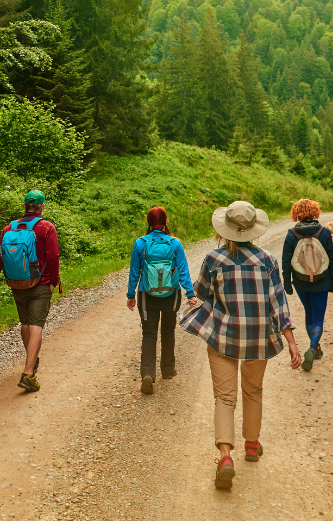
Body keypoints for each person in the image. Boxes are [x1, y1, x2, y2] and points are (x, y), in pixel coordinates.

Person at [180, 200, 303, 490]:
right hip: (259, 337)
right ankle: (251, 444)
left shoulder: (214, 259)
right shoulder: (268, 261)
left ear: (224, 230)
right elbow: (278, 303)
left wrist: (191, 310)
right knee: (253, 390)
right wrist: (292, 341)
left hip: (223, 336)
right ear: (253, 229)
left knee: (224, 398)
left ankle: (225, 457)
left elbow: (199, 295)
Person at [0, 190, 60, 393]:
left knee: (25, 323)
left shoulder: (9, 228)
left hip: (16, 283)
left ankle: (31, 360)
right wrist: (54, 281)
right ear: (41, 206)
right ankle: (28, 374)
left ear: (25, 205)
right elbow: (53, 256)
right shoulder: (46, 227)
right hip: (40, 283)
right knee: (36, 325)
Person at [126, 207, 194, 395]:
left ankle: (148, 373)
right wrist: (190, 292)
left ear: (148, 222)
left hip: (147, 294)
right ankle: (168, 369)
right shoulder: (175, 244)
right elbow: (182, 269)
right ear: (166, 222)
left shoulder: (141, 243)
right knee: (168, 330)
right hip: (171, 294)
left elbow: (134, 272)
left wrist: (131, 295)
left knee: (149, 334)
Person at [280, 198, 333, 372]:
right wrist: (332, 283)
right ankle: (313, 347)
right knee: (318, 317)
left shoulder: (292, 234)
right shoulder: (324, 232)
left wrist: (287, 283)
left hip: (301, 281)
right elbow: (332, 260)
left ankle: (316, 348)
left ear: (296, 213)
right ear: (315, 212)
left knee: (309, 313)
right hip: (321, 280)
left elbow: (286, 261)